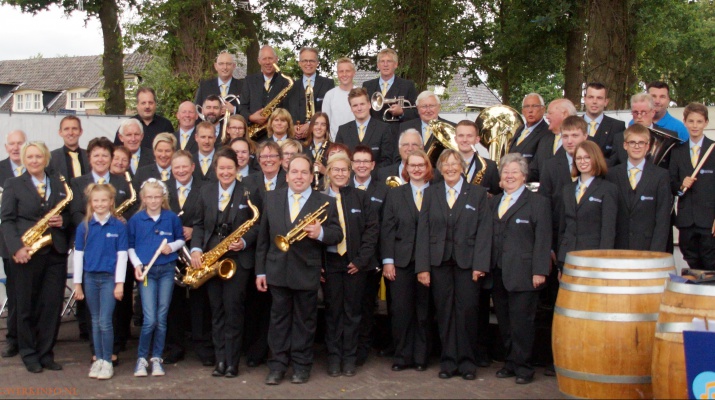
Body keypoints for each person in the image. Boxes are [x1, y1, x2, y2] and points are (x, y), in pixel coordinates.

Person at [255, 154, 343, 385]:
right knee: (278, 322)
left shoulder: (325, 202)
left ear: (312, 177)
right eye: (295, 172)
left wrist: (320, 233)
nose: (299, 176)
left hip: (307, 271)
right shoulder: (271, 198)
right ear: (287, 175)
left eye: (304, 172)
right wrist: (260, 272)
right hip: (277, 270)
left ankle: (302, 366)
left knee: (305, 322)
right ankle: (277, 366)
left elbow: (337, 234)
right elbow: (263, 239)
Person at [415, 148, 492, 380]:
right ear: (439, 168)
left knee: (467, 313)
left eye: (454, 164)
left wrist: (480, 264)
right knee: (445, 312)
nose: (450, 168)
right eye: (445, 164)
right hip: (439, 264)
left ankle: (467, 363)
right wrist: (423, 267)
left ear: (462, 167)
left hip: (468, 265)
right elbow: (423, 232)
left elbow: (484, 232)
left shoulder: (478, 194)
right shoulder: (431, 193)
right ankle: (448, 362)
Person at [190, 148, 261, 378]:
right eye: (221, 168)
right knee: (216, 311)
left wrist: (244, 241)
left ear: (237, 168)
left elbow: (258, 224)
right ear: (216, 169)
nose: (226, 171)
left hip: (237, 261)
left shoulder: (249, 191)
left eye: (230, 167)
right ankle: (220, 361)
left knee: (233, 311)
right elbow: (199, 224)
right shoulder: (206, 190)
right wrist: (197, 249)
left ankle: (232, 362)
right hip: (212, 259)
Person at [0, 141, 70, 373]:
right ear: (23, 158)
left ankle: (46, 353)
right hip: (27, 253)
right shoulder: (13, 184)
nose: (34, 160)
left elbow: (69, 213)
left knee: (51, 306)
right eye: (29, 157)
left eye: (38, 156)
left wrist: (64, 221)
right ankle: (29, 354)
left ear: (45, 158)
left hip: (55, 252)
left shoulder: (59, 183)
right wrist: (16, 248)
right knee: (26, 306)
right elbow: (7, 220)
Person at [69, 137, 134, 364]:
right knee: (94, 310)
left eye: (105, 155)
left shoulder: (123, 182)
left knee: (115, 304)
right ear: (89, 158)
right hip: (92, 246)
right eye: (96, 155)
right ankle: (96, 350)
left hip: (116, 248)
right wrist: (94, 222)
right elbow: (75, 212)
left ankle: (114, 347)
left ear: (111, 158)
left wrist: (122, 220)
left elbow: (132, 209)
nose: (100, 159)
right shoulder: (78, 183)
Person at [490, 153, 551, 385]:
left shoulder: (538, 203)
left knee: (522, 323)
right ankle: (510, 363)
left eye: (515, 172)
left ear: (524, 176)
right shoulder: (493, 202)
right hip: (497, 272)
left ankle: (524, 367)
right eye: (506, 172)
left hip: (525, 273)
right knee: (504, 322)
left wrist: (539, 271)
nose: (510, 175)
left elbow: (543, 240)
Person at [321, 153, 378, 377]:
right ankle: (334, 359)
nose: (340, 173)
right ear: (328, 171)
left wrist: (361, 260)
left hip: (355, 264)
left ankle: (349, 359)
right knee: (333, 313)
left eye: (344, 169)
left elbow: (371, 231)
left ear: (351, 171)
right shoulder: (319, 199)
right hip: (331, 263)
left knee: (353, 313)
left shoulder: (361, 198)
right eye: (336, 169)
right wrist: (319, 265)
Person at [382, 149, 433, 372]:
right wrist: (388, 261)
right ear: (406, 169)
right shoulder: (395, 194)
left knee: (424, 312)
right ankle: (402, 356)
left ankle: (421, 357)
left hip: (429, 263)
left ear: (427, 168)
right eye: (412, 165)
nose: (417, 169)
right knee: (401, 311)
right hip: (400, 262)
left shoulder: (437, 193)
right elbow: (387, 229)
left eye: (421, 165)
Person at [128, 179, 184, 377]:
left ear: (163, 198)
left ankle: (157, 358)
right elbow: (130, 247)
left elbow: (180, 239)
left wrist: (172, 247)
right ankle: (142, 359)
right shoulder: (136, 220)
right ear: (143, 198)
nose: (153, 201)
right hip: (147, 273)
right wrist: (136, 264)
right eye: (149, 197)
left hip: (167, 270)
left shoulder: (171, 218)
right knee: (150, 318)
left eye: (157, 197)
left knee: (161, 317)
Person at [162, 151, 214, 366]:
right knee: (173, 302)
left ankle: (203, 346)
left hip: (196, 251)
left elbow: (209, 218)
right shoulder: (162, 188)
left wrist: (193, 230)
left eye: (185, 166)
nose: (181, 171)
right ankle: (175, 347)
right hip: (170, 254)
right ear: (171, 170)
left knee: (199, 301)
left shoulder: (205, 188)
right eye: (177, 168)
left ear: (193, 167)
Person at [73, 184, 128, 380]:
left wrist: (120, 283)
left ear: (111, 202)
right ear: (90, 203)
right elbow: (78, 256)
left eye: (104, 200)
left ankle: (107, 360)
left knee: (105, 321)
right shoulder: (84, 226)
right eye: (96, 201)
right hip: (89, 278)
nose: (100, 204)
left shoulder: (118, 226)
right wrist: (77, 284)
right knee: (95, 322)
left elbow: (122, 256)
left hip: (109, 280)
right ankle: (98, 360)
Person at [349, 145, 389, 366]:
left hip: (372, 261)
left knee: (366, 307)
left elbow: (384, 228)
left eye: (366, 161)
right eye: (358, 161)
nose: (362, 165)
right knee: (348, 307)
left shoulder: (384, 191)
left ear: (373, 165)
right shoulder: (342, 187)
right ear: (352, 164)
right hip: (346, 261)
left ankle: (361, 350)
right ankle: (347, 346)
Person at [606, 124, 672, 251]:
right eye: (632, 142)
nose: (637, 146)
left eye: (641, 143)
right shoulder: (612, 174)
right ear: (625, 145)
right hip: (618, 247)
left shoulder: (661, 175)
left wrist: (656, 252)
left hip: (648, 247)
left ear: (648, 146)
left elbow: (663, 218)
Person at [669, 103, 714, 270]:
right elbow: (672, 184)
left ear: (706, 123)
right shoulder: (677, 151)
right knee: (691, 260)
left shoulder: (713, 149)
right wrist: (681, 185)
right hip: (686, 220)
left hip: (709, 222)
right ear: (685, 122)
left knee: (711, 263)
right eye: (691, 121)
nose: (695, 125)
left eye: (699, 121)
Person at [557, 140, 617, 264]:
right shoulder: (567, 189)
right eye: (578, 158)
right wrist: (560, 261)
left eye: (587, 157)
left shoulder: (607, 189)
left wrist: (603, 259)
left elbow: (608, 230)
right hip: (568, 256)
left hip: (593, 257)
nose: (582, 161)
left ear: (595, 158)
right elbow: (563, 228)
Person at [0, 129, 26, 359]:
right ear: (6, 147)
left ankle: (32, 337)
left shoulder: (37, 170)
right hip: (9, 242)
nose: (16, 147)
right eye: (12, 144)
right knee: (15, 294)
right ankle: (13, 338)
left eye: (20, 143)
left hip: (35, 243)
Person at [612, 93, 680, 167]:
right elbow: (613, 167)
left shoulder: (670, 136)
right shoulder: (619, 138)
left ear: (653, 113)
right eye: (635, 112)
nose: (639, 116)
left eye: (644, 112)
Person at [335, 87, 395, 168]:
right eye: (355, 105)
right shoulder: (342, 131)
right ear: (351, 108)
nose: (359, 108)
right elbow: (338, 160)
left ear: (369, 105)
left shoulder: (384, 129)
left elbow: (387, 160)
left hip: (376, 179)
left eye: (362, 104)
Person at [240, 45, 291, 138]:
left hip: (278, 136)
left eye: (270, 58)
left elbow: (290, 109)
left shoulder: (286, 83)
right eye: (264, 59)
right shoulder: (249, 81)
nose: (267, 62)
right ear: (259, 60)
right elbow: (242, 107)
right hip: (254, 135)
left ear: (276, 59)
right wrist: (251, 117)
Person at [362, 48, 418, 130]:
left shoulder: (407, 86)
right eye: (382, 61)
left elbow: (416, 112)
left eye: (389, 61)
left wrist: (402, 112)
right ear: (378, 65)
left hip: (397, 134)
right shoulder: (367, 85)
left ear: (395, 64)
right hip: (374, 134)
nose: (385, 64)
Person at [287, 47, 335, 139]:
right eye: (304, 60)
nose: (308, 64)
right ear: (299, 63)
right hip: (296, 138)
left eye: (312, 61)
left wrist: (310, 124)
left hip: (320, 137)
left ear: (317, 63)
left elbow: (329, 111)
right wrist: (293, 128)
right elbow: (288, 111)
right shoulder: (291, 86)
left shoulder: (328, 84)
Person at [530, 98, 578, 182]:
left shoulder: (584, 142)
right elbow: (534, 171)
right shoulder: (544, 140)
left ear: (564, 114)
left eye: (550, 113)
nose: (547, 116)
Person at [455, 120, 501, 196]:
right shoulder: (445, 165)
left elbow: (496, 195)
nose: (465, 140)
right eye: (461, 135)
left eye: (469, 136)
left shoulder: (490, 166)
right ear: (455, 139)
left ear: (477, 139)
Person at [582, 82, 625, 159]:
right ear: (584, 99)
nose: (594, 102)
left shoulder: (618, 127)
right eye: (591, 97)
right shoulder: (573, 125)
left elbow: (619, 159)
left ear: (606, 102)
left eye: (599, 98)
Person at [195, 51, 243, 115]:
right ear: (215, 66)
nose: (225, 67)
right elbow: (197, 110)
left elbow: (249, 110)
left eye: (228, 64)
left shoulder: (243, 86)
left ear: (234, 66)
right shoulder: (204, 86)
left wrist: (234, 109)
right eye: (221, 64)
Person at [508, 93, 549, 167]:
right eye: (527, 106)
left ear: (543, 110)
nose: (530, 110)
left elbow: (540, 166)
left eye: (535, 106)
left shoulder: (547, 133)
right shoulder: (519, 129)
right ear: (522, 111)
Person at [322, 58, 357, 141]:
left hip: (357, 142)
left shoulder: (361, 93)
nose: (344, 74)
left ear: (353, 73)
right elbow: (325, 122)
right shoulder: (330, 95)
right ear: (337, 74)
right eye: (341, 71)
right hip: (335, 143)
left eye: (347, 71)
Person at [49, 115, 89, 180]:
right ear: (60, 132)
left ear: (81, 131)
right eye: (66, 129)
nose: (70, 133)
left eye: (74, 129)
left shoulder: (90, 157)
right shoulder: (51, 158)